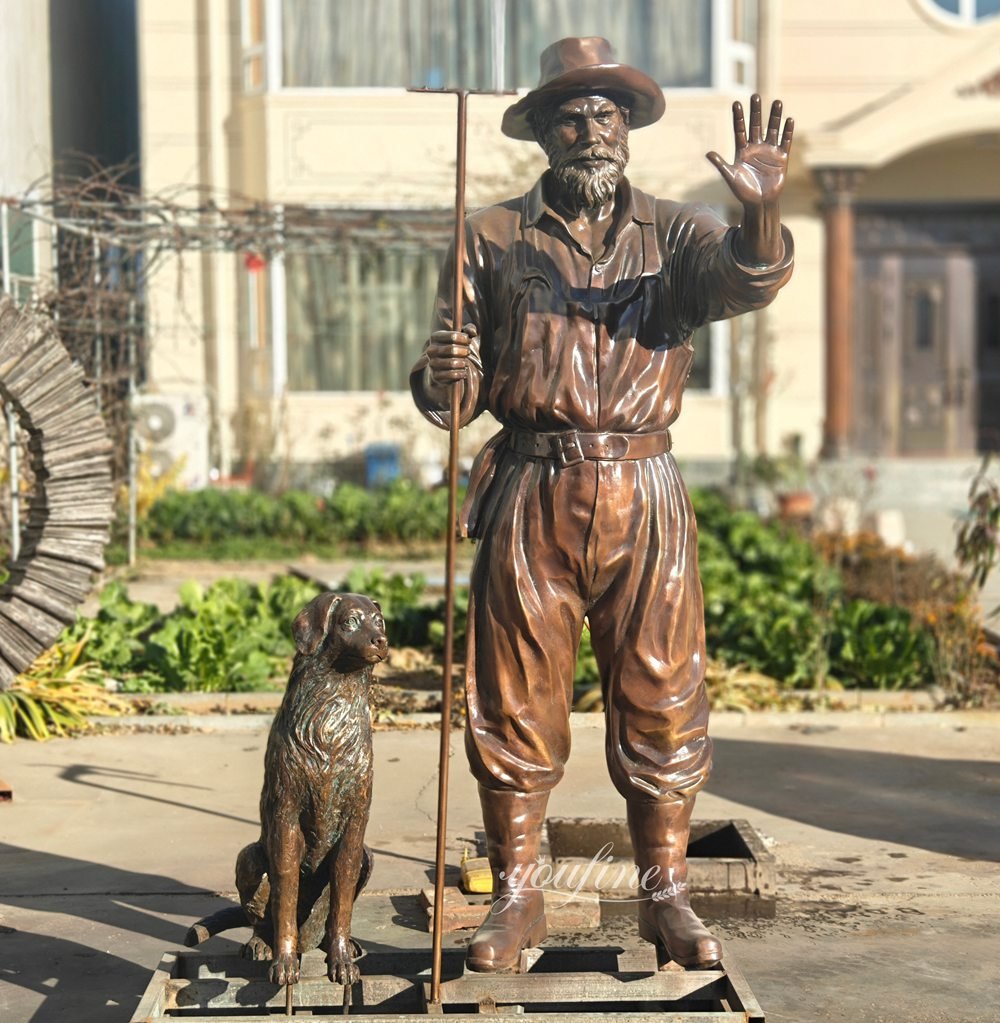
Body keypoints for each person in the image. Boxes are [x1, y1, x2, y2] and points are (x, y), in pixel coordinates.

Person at [410, 36, 794, 973]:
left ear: (628, 127)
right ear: (543, 131)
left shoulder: (679, 232)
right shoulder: (491, 234)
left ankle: (664, 891)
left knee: (662, 689)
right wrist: (442, 375)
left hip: (643, 488)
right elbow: (449, 395)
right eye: (573, 113)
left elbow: (748, 281)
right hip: (531, 487)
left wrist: (762, 214)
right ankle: (516, 892)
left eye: (608, 112)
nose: (593, 128)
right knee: (514, 698)